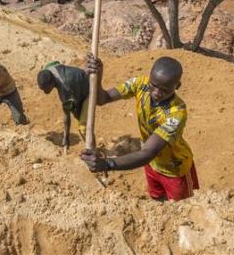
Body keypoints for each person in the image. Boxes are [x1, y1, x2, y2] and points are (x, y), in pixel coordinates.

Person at [80, 54, 199, 202]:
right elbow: (103, 99)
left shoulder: (177, 113)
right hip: (150, 165)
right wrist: (97, 75)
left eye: (164, 90)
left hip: (174, 170)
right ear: (149, 77)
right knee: (156, 199)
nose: (156, 93)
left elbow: (148, 152)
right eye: (153, 85)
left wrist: (107, 164)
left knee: (179, 208)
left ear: (177, 86)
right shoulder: (140, 84)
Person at [37, 61, 89, 153]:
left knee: (82, 127)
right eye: (42, 89)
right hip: (78, 79)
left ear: (52, 82)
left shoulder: (65, 88)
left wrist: (66, 137)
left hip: (88, 90)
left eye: (46, 89)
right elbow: (56, 62)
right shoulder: (48, 68)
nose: (44, 92)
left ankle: (92, 150)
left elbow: (67, 115)